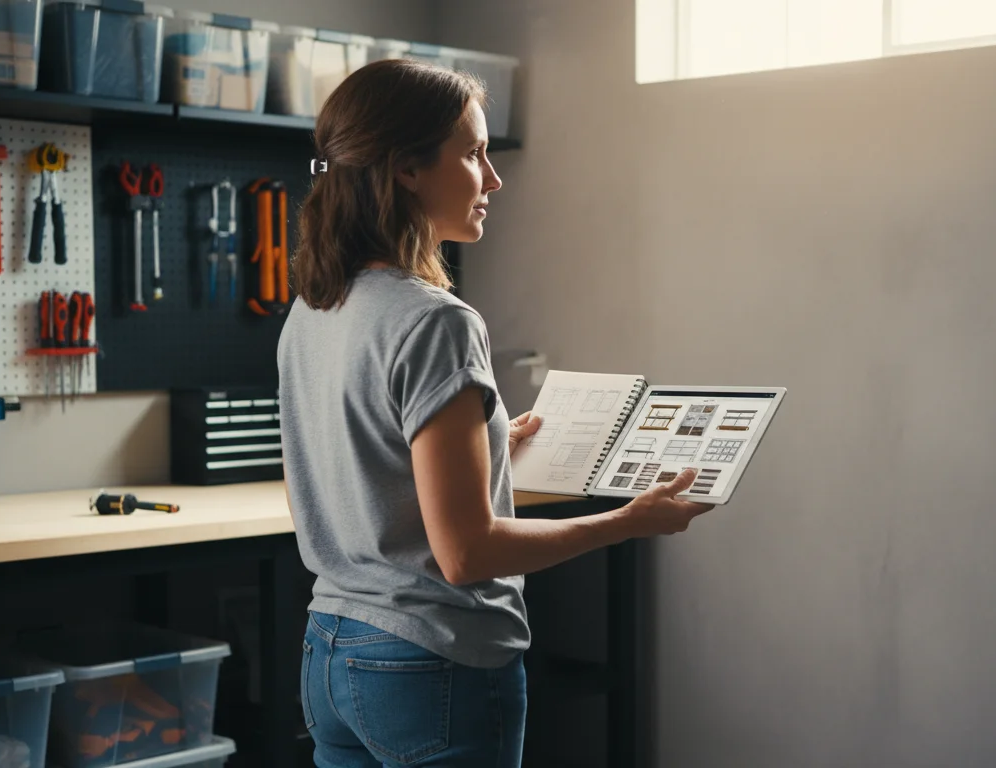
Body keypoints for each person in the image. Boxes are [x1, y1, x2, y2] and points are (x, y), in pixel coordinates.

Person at [278, 58, 714, 768]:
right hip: (430, 662)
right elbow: (467, 555)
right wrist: (627, 522)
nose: (494, 177)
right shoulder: (437, 322)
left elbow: (348, 470)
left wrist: (483, 444)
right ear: (407, 170)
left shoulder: (314, 310)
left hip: (331, 651)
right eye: (474, 154)